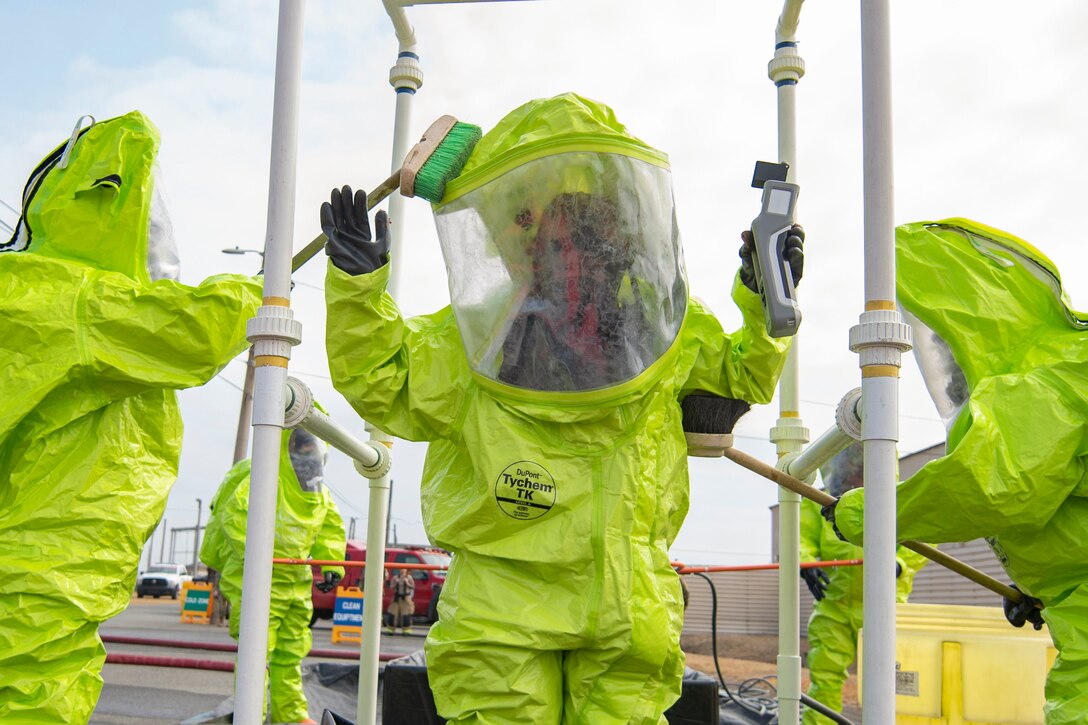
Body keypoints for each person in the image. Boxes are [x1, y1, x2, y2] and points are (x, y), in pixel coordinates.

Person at [320, 92, 804, 724]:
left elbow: (741, 372)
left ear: (626, 238)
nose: (580, 253)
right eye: (565, 236)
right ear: (531, 246)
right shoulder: (480, 340)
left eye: (593, 231)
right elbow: (386, 383)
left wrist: (765, 294)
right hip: (505, 610)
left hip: (628, 607)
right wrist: (358, 290)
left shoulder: (667, 333)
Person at [0, 111, 260, 724]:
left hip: (35, 543)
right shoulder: (74, 298)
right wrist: (258, 292)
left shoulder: (30, 288)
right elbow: (195, 334)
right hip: (44, 557)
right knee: (34, 691)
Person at [825, 218, 1088, 724]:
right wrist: (1044, 592)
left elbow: (988, 488)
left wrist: (866, 515)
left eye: (939, 339)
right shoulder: (1054, 368)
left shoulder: (1041, 381)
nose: (941, 362)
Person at [201, 427, 346, 725]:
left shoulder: (316, 491)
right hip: (258, 580)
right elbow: (235, 518)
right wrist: (259, 558)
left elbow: (330, 525)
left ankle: (289, 715)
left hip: (295, 578)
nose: (308, 462)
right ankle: (250, 716)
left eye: (312, 454)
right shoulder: (264, 478)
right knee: (257, 654)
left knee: (291, 651)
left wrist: (332, 563)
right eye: (302, 453)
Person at [800, 443, 927, 724]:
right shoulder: (819, 500)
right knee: (824, 679)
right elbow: (802, 536)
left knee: (892, 684)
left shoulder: (899, 498)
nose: (854, 480)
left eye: (859, 472)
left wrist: (899, 565)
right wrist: (805, 561)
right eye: (849, 473)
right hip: (834, 606)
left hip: (885, 608)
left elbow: (925, 538)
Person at [385, 568, 416, 635]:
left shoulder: (409, 577)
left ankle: (406, 630)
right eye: (401, 569)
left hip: (405, 598)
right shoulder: (395, 577)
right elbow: (391, 587)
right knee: (392, 614)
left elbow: (413, 586)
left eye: (404, 570)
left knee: (406, 615)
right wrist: (396, 582)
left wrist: (407, 583)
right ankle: (390, 629)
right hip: (396, 597)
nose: (402, 571)